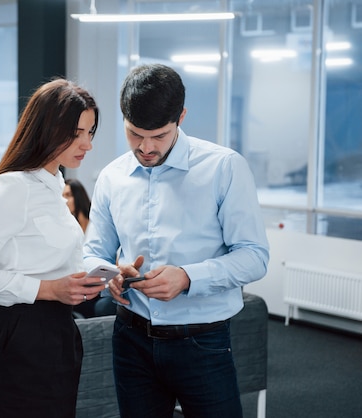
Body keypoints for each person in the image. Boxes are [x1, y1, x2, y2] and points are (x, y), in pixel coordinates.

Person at [83, 64, 270, 418]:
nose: (146, 147)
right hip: (130, 338)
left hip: (203, 343)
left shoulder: (224, 168)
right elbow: (92, 251)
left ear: (181, 117)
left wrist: (187, 277)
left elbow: (255, 256)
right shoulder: (111, 177)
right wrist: (111, 275)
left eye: (160, 135)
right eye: (135, 134)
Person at [0, 78, 102, 418]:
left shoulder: (54, 182)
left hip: (58, 332)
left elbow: (50, 258)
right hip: (16, 336)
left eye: (90, 132)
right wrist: (48, 289)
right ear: (48, 129)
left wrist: (104, 275)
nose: (88, 144)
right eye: (77, 132)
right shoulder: (14, 186)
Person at [64, 178, 115, 319]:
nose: (64, 200)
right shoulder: (65, 229)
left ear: (78, 196)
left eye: (68, 195)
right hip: (80, 284)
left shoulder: (98, 225)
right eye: (61, 196)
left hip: (102, 284)